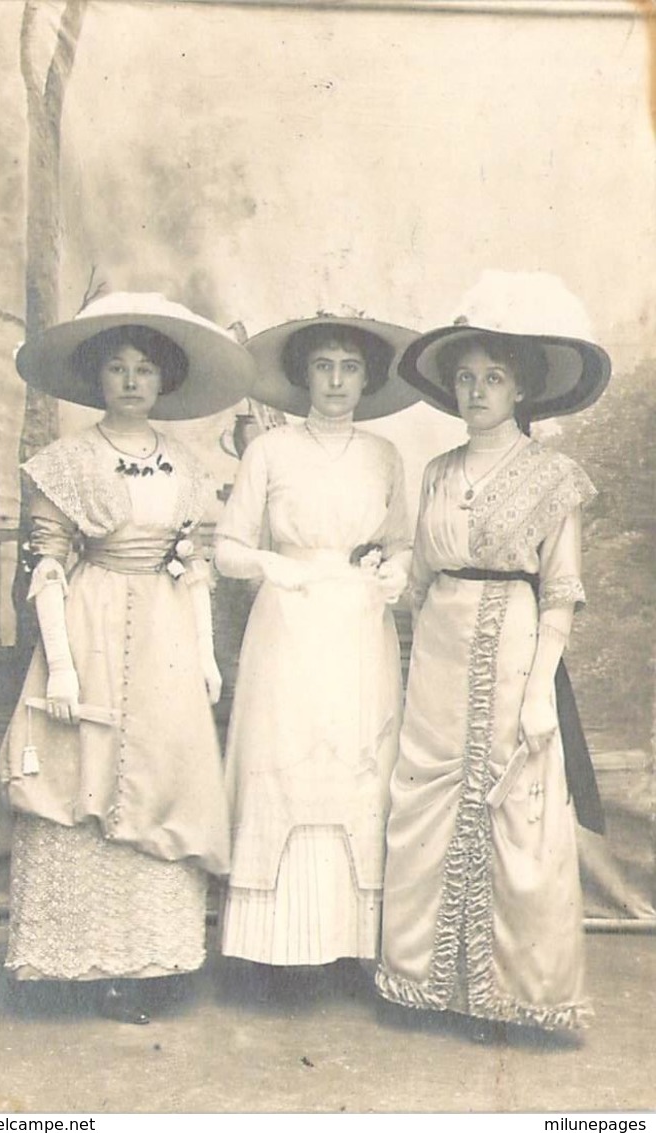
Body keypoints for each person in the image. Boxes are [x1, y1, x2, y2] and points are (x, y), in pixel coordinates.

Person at [0, 291, 255, 1023]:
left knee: (163, 776)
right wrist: (64, 662)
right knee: (83, 773)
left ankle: (149, 960)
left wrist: (205, 655)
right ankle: (82, 961)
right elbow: (48, 564)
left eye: (145, 368)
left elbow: (194, 565)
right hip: (90, 617)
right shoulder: (67, 462)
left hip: (168, 632)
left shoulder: (186, 463)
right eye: (117, 367)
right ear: (97, 377)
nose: (132, 380)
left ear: (164, 379)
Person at [375, 271, 611, 1039]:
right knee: (427, 801)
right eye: (466, 379)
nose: (477, 391)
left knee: (516, 806)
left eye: (494, 379)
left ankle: (511, 995)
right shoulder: (438, 472)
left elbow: (561, 590)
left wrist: (541, 686)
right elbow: (413, 583)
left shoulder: (553, 477)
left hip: (513, 647)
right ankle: (424, 980)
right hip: (438, 653)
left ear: (521, 391)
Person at [214, 313, 421, 979]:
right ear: (303, 374)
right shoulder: (269, 452)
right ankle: (273, 948)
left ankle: (351, 944)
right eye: (324, 365)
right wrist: (271, 566)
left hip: (360, 622)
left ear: (366, 377)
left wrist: (394, 570)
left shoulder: (383, 455)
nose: (335, 380)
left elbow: (402, 542)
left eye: (349, 366)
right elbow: (227, 548)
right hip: (289, 619)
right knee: (287, 754)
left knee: (359, 755)